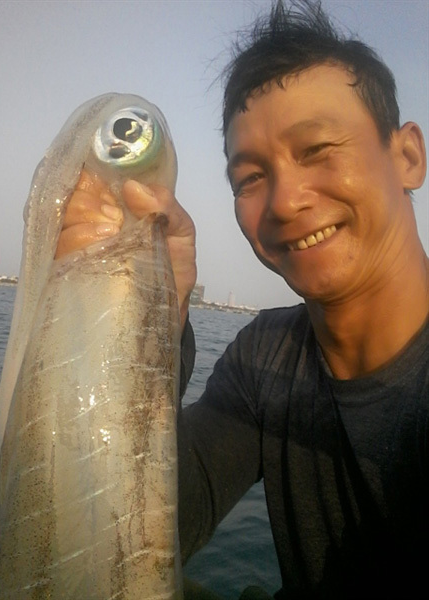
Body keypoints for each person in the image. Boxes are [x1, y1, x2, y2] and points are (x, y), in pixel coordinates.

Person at [57, 1, 428, 597]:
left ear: (407, 156)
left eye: (317, 150)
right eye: (250, 178)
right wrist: (146, 325)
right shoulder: (265, 357)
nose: (283, 202)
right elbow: (128, 537)